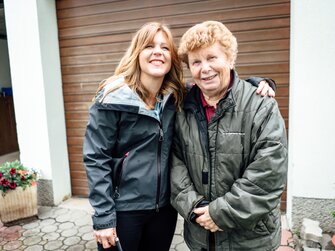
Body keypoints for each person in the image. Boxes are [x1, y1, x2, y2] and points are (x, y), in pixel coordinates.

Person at [83, 22, 276, 251]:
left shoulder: (177, 97)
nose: (157, 51)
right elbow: (96, 158)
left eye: (165, 47)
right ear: (137, 53)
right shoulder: (112, 99)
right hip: (125, 209)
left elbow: (223, 84)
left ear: (171, 59)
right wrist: (104, 216)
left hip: (164, 210)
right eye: (149, 46)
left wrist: (257, 82)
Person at [170, 21, 288, 251]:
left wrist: (219, 213)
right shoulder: (182, 109)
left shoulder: (261, 106)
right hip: (201, 236)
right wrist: (195, 207)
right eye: (196, 62)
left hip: (251, 239)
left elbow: (269, 173)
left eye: (212, 58)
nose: (204, 68)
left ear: (230, 59)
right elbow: (174, 164)